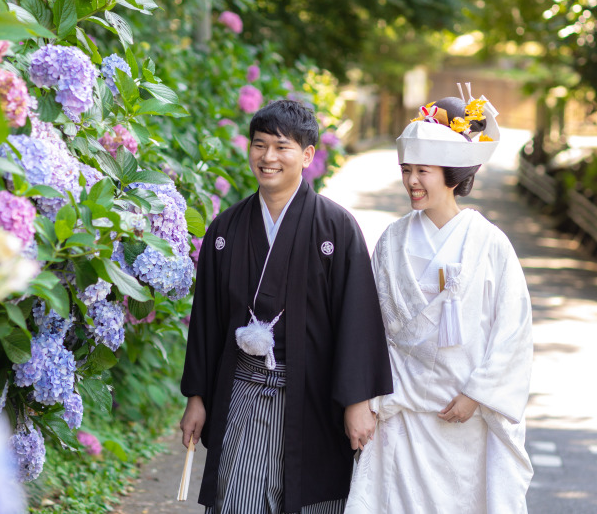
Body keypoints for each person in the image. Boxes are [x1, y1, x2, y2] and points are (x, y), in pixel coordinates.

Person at [180, 99, 393, 514]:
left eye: (282, 147)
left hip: (312, 397)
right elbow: (207, 320)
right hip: (244, 391)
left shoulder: (336, 227)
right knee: (237, 498)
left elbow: (357, 319)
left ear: (308, 155)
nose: (268, 157)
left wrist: (356, 402)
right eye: (260, 145)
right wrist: (197, 397)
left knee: (310, 499)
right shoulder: (226, 229)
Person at [345, 88, 534, 513]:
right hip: (402, 411)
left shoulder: (490, 244)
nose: (411, 181)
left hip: (465, 413)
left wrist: (479, 394)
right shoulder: (393, 240)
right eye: (406, 169)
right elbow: (367, 327)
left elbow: (514, 331)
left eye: (423, 171)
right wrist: (363, 399)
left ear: (451, 173)